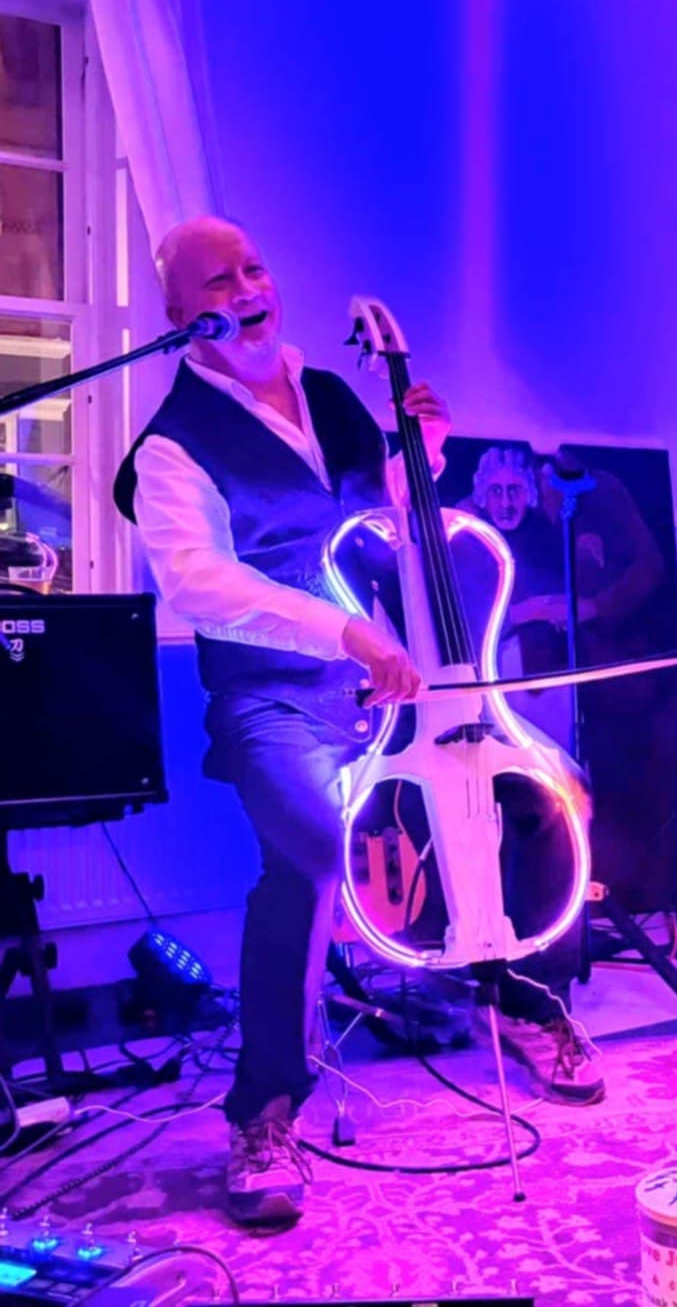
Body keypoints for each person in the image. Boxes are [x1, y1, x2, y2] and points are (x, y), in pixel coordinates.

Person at [113, 217, 602, 1229]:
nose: (247, 286)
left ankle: (510, 992)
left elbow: (373, 520)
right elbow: (204, 586)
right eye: (219, 279)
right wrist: (343, 633)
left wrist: (419, 453)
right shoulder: (167, 448)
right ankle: (265, 1108)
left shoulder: (329, 393)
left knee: (531, 794)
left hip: (389, 679)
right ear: (179, 316)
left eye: (254, 265)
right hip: (274, 695)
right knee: (322, 848)